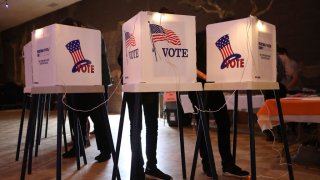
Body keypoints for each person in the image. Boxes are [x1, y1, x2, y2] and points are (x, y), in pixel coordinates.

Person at [188, 30, 249, 178]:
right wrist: (205, 76)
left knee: (224, 122)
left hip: (213, 86)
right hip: (196, 86)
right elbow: (188, 62)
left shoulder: (221, 38)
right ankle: (207, 164)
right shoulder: (198, 37)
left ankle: (228, 165)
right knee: (203, 125)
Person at [61, 17, 112, 162]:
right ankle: (78, 147)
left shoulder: (93, 33)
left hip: (94, 82)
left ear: (78, 24)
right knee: (76, 117)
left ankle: (105, 150)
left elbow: (99, 53)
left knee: (99, 118)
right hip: (75, 81)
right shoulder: (69, 37)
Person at [118, 48, 172, 179]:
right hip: (133, 84)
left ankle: (151, 167)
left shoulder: (152, 32)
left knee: (152, 127)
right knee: (136, 127)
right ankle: (137, 169)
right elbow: (121, 57)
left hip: (150, 84)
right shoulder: (132, 30)